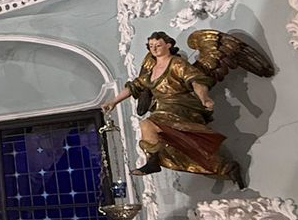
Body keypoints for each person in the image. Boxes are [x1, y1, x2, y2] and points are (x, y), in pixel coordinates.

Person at [101, 31, 241, 184]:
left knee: (148, 125)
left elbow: (195, 80)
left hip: (182, 106)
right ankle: (223, 167)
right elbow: (135, 86)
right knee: (173, 144)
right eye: (151, 46)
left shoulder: (176, 63)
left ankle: (153, 162)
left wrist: (204, 98)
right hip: (163, 109)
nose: (154, 49)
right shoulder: (151, 71)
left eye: (158, 45)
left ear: (168, 45)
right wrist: (113, 102)